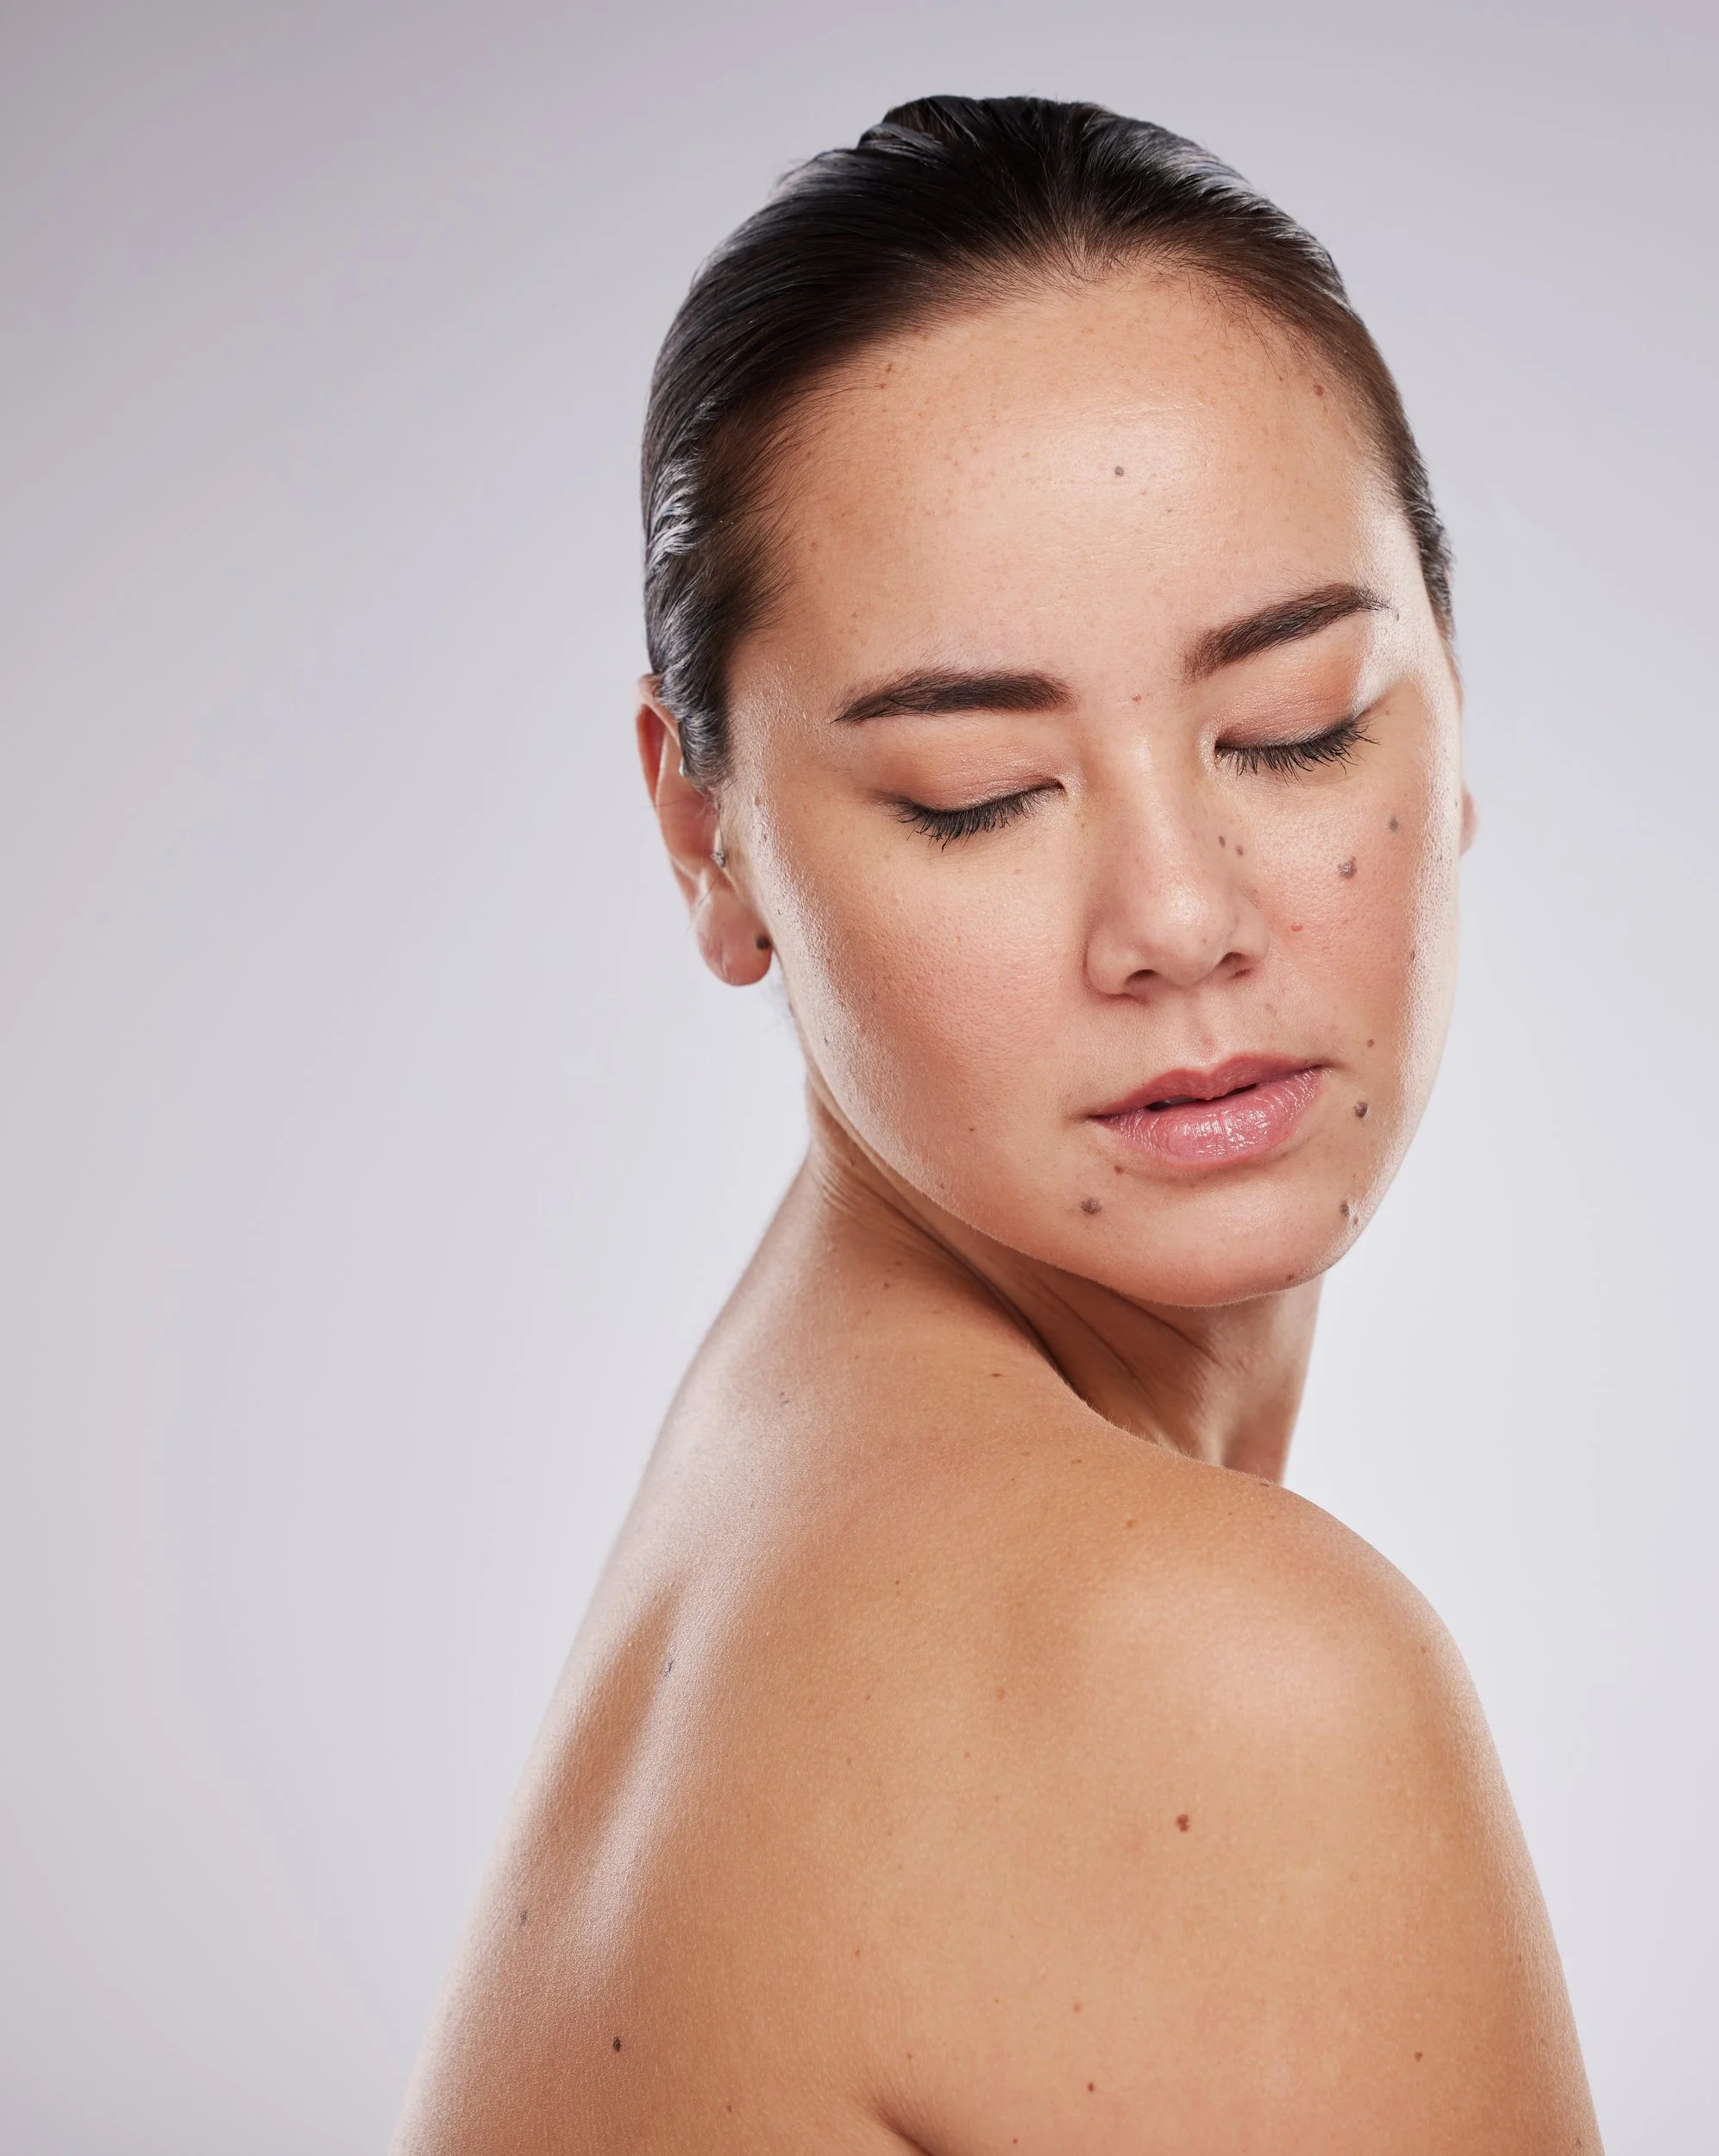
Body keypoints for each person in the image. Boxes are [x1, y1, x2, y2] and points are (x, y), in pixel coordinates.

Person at [395, 95, 1600, 2154]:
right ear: (707, 834)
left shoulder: (787, 1479)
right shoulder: (1193, 1670)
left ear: (1452, 698)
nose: (1180, 918)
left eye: (1292, 725)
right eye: (976, 785)